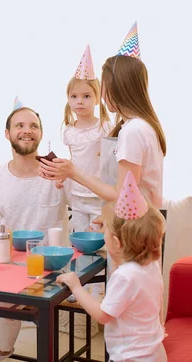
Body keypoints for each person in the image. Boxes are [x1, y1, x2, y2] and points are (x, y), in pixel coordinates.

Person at [40, 23, 167, 228]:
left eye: (104, 86)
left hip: (135, 230)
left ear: (117, 88)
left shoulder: (133, 131)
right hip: (143, 226)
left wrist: (73, 172)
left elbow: (121, 194)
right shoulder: (142, 126)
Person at [0, 100, 67, 362]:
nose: (27, 130)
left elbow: (86, 205)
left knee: (9, 298)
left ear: (41, 134)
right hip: (11, 261)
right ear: (7, 134)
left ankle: (1, 351)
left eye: (33, 126)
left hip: (52, 264)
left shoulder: (57, 172)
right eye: (20, 126)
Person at [56, 171, 166, 362]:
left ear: (116, 242)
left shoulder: (125, 276)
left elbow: (103, 315)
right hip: (155, 356)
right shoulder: (152, 265)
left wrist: (76, 286)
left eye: (104, 229)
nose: (102, 233)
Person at [60, 45, 111, 233]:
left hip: (98, 194)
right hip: (77, 195)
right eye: (74, 96)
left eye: (86, 96)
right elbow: (74, 160)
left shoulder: (104, 127)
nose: (79, 101)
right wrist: (61, 176)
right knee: (79, 240)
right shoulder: (69, 132)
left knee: (99, 239)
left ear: (97, 98)